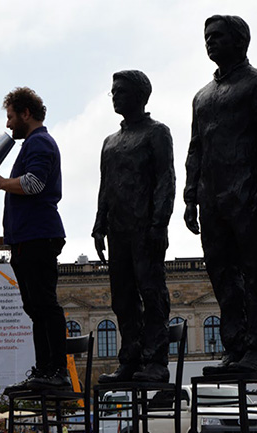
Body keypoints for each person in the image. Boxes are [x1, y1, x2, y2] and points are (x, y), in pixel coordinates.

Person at [184, 15, 257, 375]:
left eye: (218, 36)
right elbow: (195, 148)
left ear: (240, 40)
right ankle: (234, 346)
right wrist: (190, 196)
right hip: (212, 198)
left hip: (246, 192)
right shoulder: (202, 96)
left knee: (256, 271)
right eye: (207, 37)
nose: (210, 42)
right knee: (221, 273)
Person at [0, 87, 70, 390]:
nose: (8, 124)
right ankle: (45, 370)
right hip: (27, 238)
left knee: (44, 303)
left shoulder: (40, 143)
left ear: (25, 113)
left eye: (10, 117)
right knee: (35, 307)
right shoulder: (33, 144)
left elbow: (34, 183)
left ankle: (57, 370)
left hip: (38, 235)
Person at [94, 70, 176, 383]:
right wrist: (99, 224)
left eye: (120, 91)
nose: (114, 96)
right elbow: (105, 186)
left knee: (152, 292)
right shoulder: (110, 142)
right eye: (113, 91)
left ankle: (155, 360)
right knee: (122, 298)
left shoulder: (157, 132)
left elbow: (165, 180)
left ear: (140, 96)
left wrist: (159, 224)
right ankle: (129, 359)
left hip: (145, 227)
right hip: (118, 230)